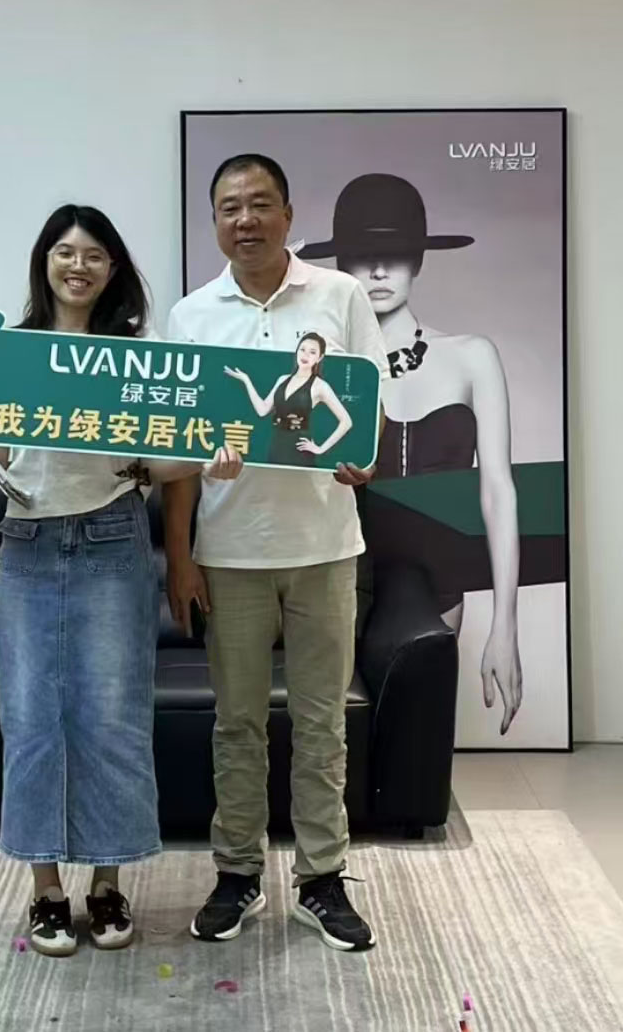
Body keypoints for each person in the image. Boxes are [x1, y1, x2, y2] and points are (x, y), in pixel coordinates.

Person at [0, 204, 242, 957]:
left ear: (112, 270)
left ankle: (108, 884)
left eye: (94, 255)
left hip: (112, 538)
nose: (78, 266)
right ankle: (45, 890)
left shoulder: (136, 356)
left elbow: (159, 463)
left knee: (113, 716)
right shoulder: (8, 353)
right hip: (28, 544)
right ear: (44, 260)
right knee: (31, 719)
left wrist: (210, 456)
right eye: (65, 252)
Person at [164, 155, 389, 953]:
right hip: (231, 550)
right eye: (230, 207)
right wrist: (181, 557)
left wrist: (363, 456)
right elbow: (179, 450)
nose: (246, 219)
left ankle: (322, 877)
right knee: (237, 724)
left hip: (325, 547)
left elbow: (369, 406)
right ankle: (237, 871)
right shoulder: (192, 315)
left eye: (260, 204)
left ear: (289, 214)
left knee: (323, 722)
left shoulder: (340, 295)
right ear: (215, 222)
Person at [299, 172, 523, 734]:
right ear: (339, 263)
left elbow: (497, 491)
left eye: (395, 254)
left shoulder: (471, 357)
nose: (378, 270)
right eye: (360, 255)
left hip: (436, 589)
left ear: (419, 260)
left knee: (412, 737)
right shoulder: (317, 364)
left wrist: (506, 624)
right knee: (328, 733)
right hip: (333, 573)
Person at [224, 332, 353, 468]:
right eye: (302, 349)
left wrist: (321, 448)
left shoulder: (320, 386)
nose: (305, 355)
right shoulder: (282, 379)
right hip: (276, 443)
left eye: (312, 352)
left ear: (320, 357)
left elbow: (346, 421)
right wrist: (246, 381)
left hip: (300, 448)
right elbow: (262, 410)